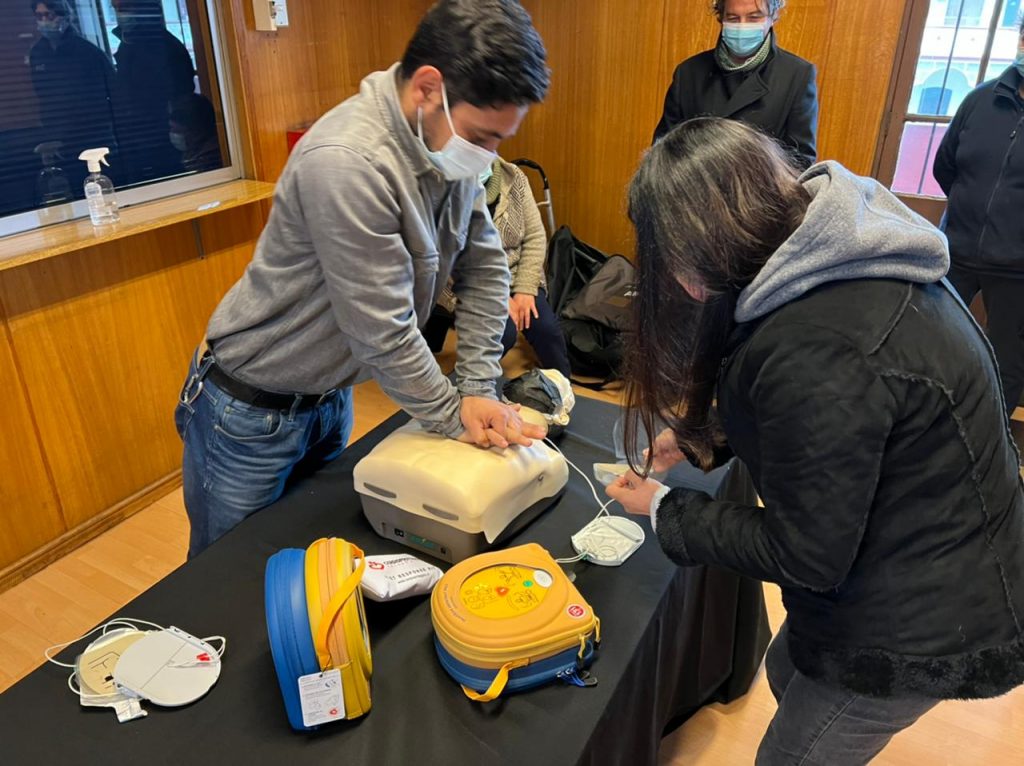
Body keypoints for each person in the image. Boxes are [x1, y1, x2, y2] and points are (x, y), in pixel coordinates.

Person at [607, 118, 1024, 765]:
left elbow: (808, 554)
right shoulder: (827, 239)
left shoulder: (821, 348)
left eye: (673, 259)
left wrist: (666, 510)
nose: (677, 283)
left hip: (926, 614)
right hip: (918, 537)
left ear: (710, 246)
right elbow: (834, 431)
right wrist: (700, 438)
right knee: (785, 669)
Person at [175, 0, 550, 557]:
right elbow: (384, 332)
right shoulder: (347, 162)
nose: (490, 156)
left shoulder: (445, 146)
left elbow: (485, 265)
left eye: (499, 140)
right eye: (482, 136)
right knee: (227, 580)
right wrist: (456, 416)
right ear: (428, 88)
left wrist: (476, 385)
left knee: (317, 566)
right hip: (249, 412)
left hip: (328, 397)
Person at [933, 16, 1024, 419]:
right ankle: (919, 432)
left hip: (1018, 271)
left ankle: (990, 449)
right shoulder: (980, 99)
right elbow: (945, 166)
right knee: (930, 343)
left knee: (1006, 364)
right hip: (956, 253)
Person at [423, 155, 571, 378]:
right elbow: (445, 260)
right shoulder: (442, 185)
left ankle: (562, 391)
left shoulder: (515, 177)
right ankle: (464, 391)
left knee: (546, 330)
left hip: (516, 276)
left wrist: (525, 289)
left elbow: (535, 237)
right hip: (467, 284)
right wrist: (499, 299)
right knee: (501, 333)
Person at [653, 0, 818, 169]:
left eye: (754, 18)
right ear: (720, 18)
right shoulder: (688, 73)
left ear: (773, 17)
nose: (742, 27)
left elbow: (800, 162)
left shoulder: (798, 75)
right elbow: (663, 152)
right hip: (694, 190)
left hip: (759, 192)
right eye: (733, 18)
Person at [110, 0, 196, 181]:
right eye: (115, 8)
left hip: (162, 135)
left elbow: (183, 96)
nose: (119, 13)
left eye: (124, 7)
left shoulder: (166, 46)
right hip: (134, 136)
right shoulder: (126, 44)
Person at [27, 1, 117, 166]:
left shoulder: (88, 52)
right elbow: (43, 96)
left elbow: (113, 93)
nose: (44, 20)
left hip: (93, 134)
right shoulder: (38, 53)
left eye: (49, 15)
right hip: (61, 138)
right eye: (39, 16)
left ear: (65, 17)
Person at [168, 93, 223, 174]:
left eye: (174, 129)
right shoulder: (193, 152)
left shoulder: (209, 158)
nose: (171, 133)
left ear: (192, 129)